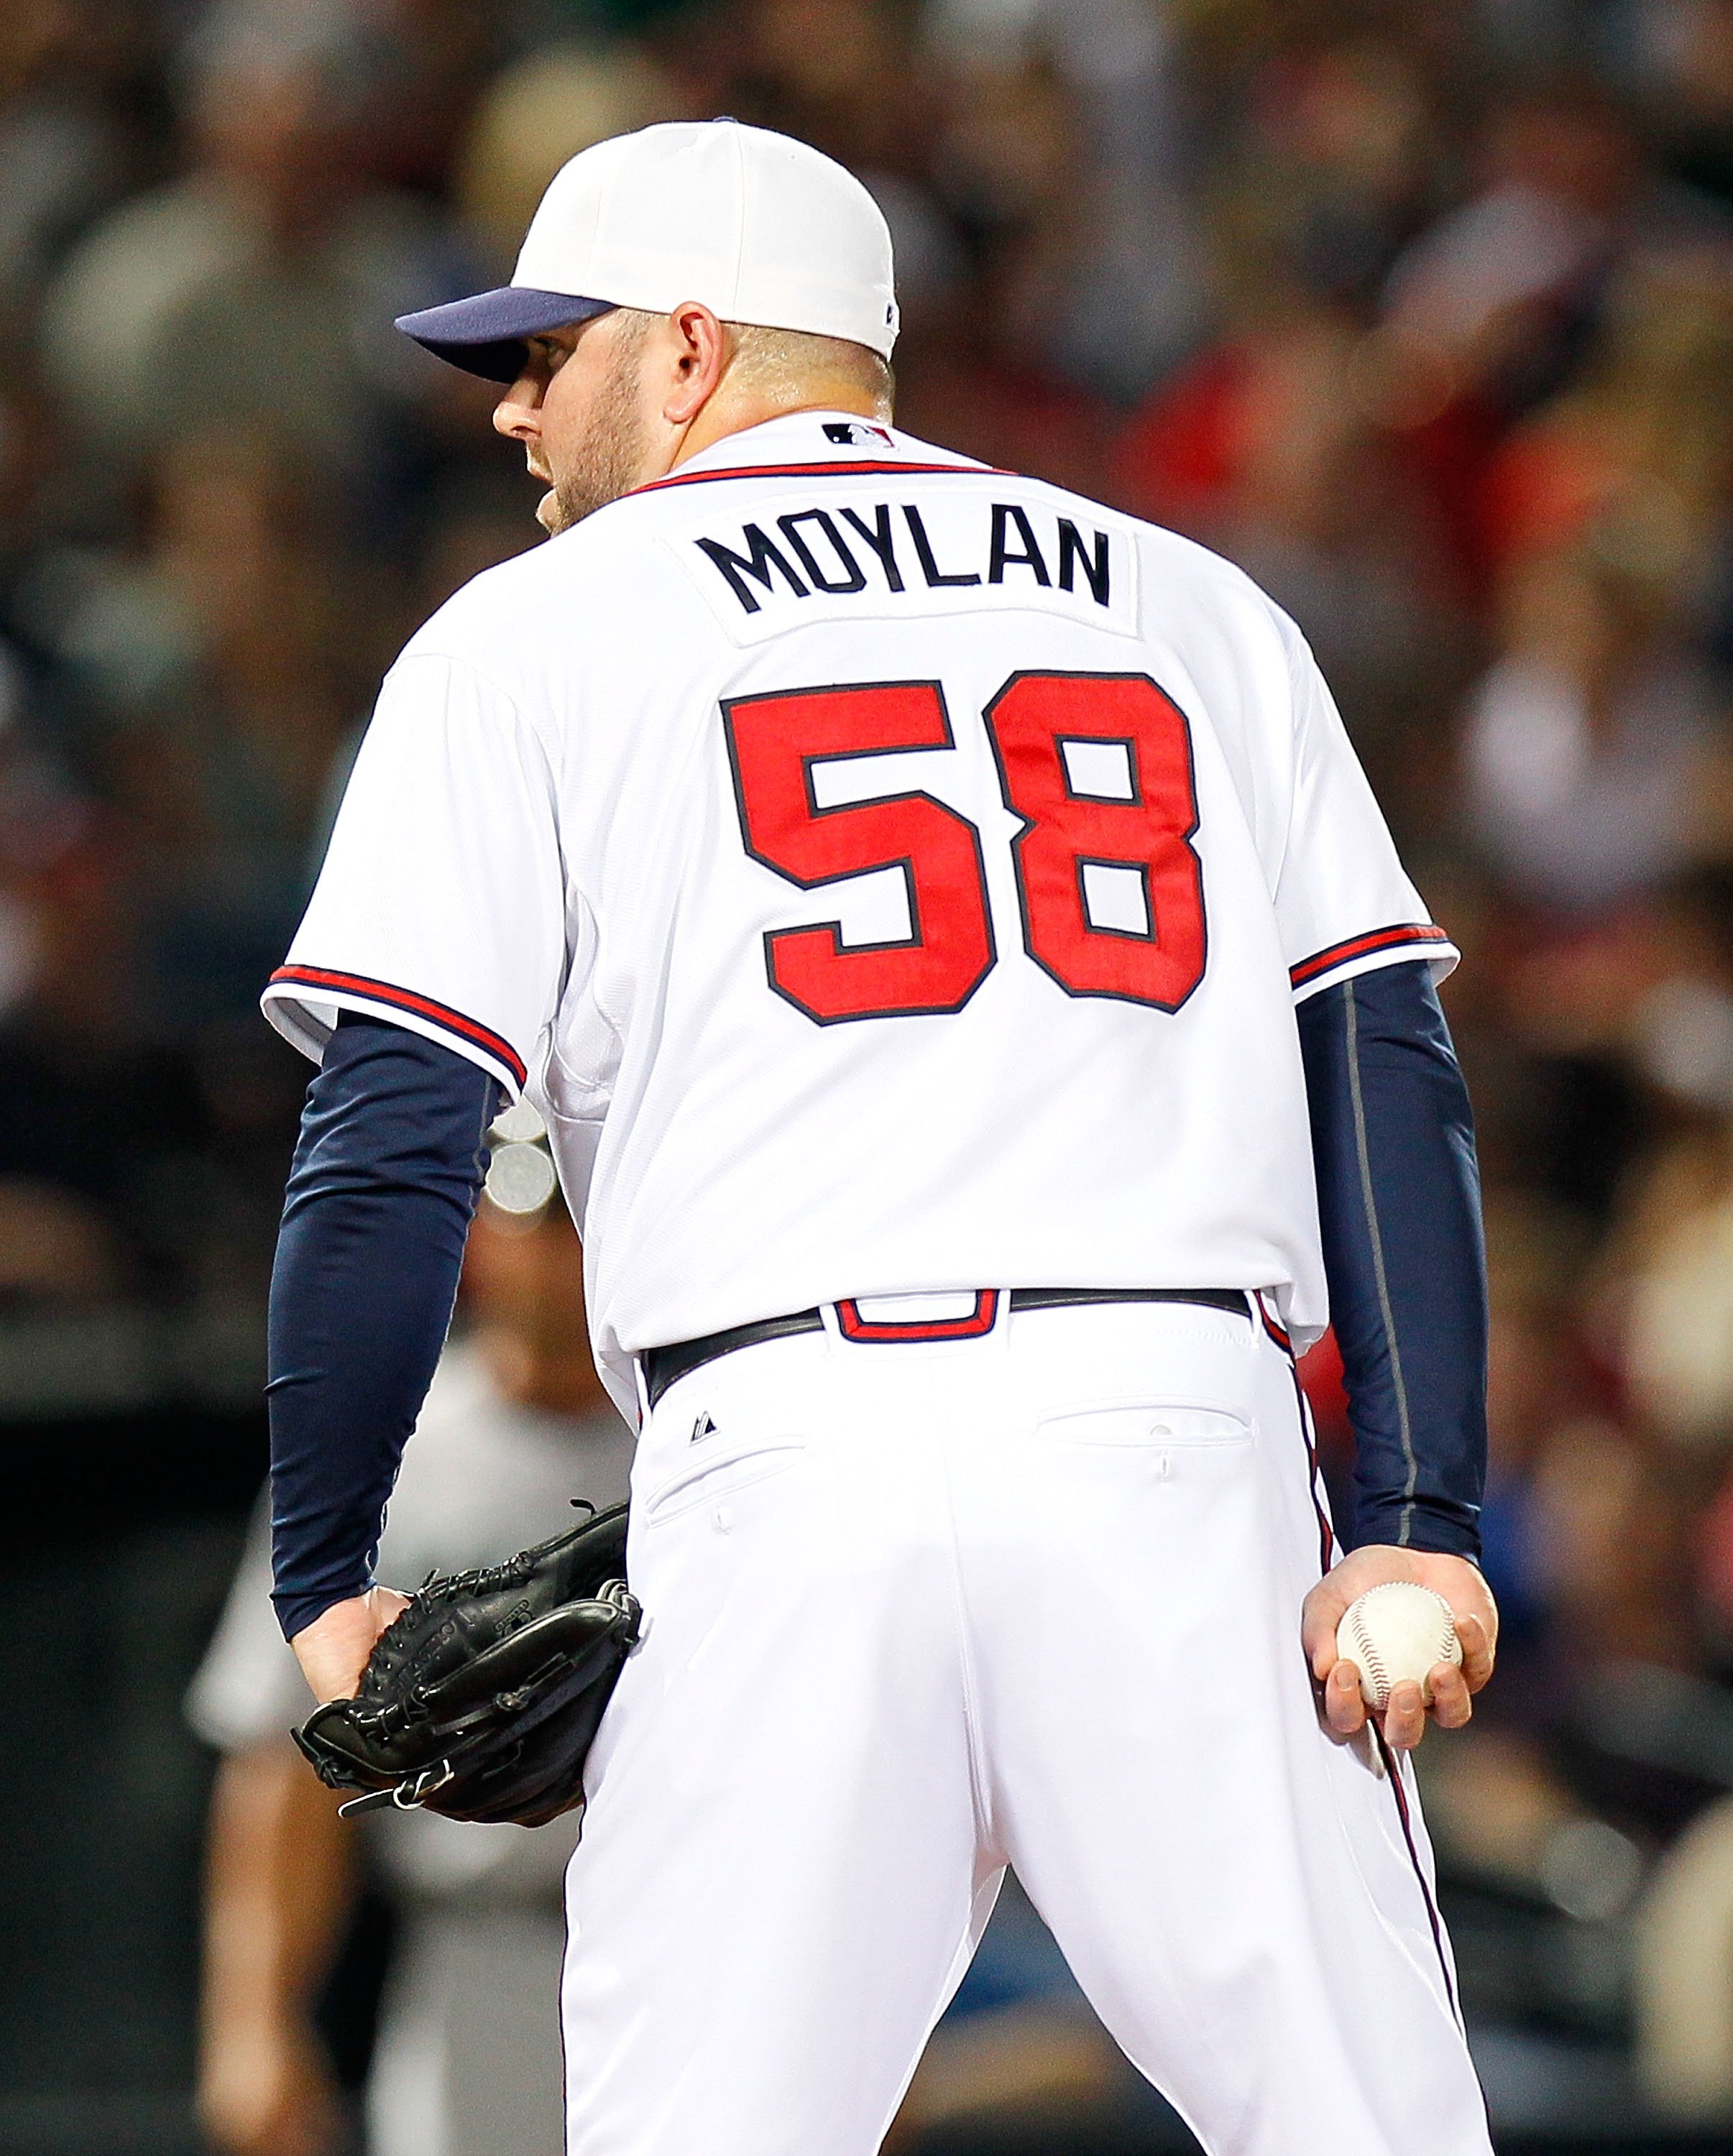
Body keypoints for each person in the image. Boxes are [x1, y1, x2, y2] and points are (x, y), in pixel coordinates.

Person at [259, 119, 1499, 2156]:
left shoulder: (527, 638)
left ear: (679, 348)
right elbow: (1378, 1060)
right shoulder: (1192, 608)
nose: (507, 402)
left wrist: (327, 1560)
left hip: (780, 1474)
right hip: (1166, 1450)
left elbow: (395, 1135)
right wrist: (1418, 1513)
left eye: (542, 348)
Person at [191, 1193, 633, 2156]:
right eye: (536, 1220)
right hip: (488, 1951)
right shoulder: (388, 1453)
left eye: (580, 1221)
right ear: (478, 1235)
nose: (557, 1255)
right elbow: (288, 1759)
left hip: (702, 1942)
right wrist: (252, 2021)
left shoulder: (709, 1439)